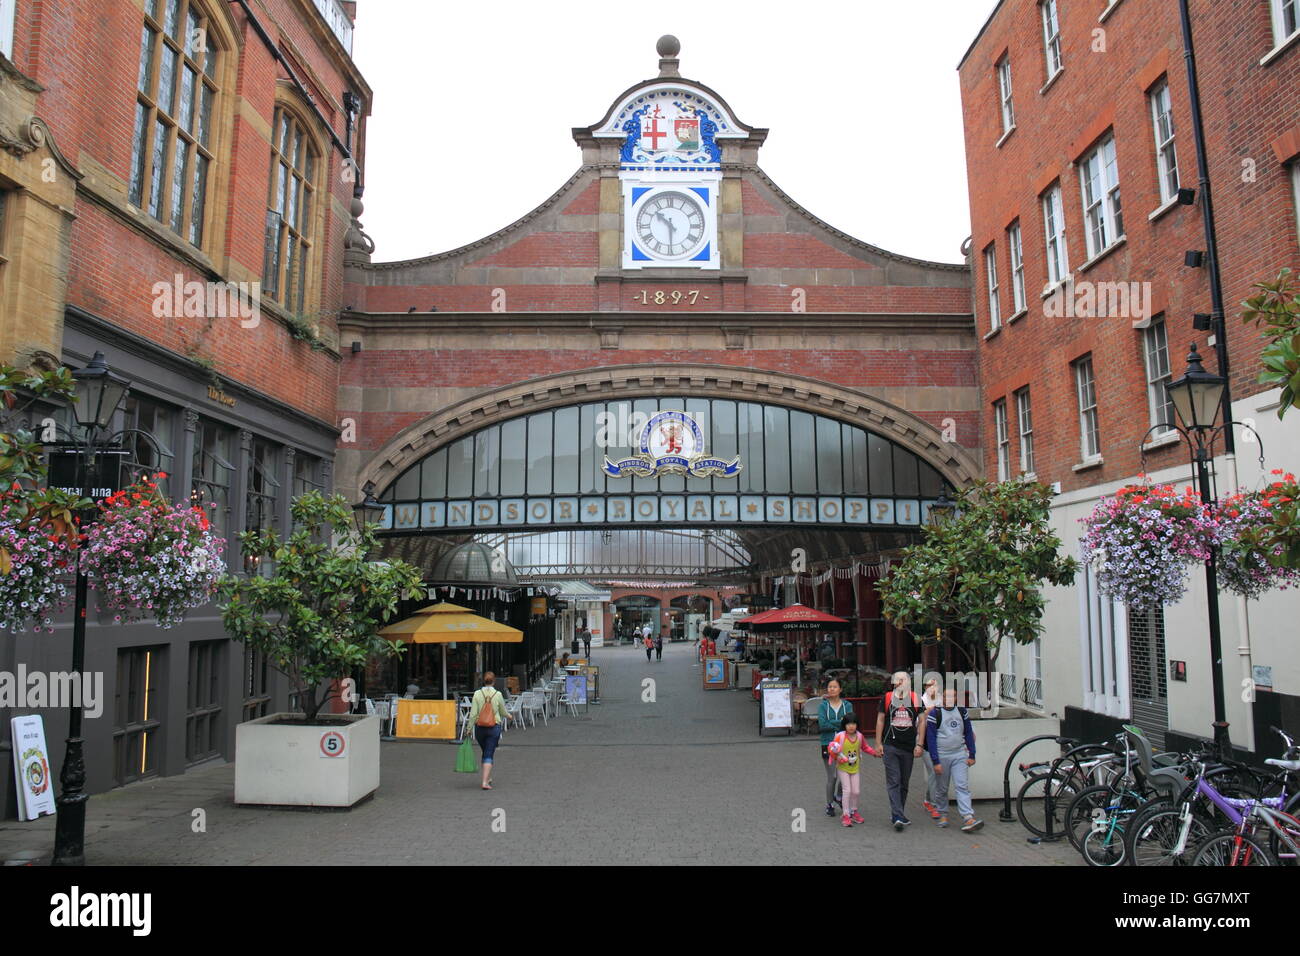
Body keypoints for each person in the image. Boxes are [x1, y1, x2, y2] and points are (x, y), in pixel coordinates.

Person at [926, 686, 983, 832]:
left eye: (952, 697)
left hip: (959, 755)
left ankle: (968, 816)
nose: (949, 700)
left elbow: (968, 732)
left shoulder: (962, 712)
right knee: (942, 788)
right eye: (946, 697)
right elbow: (931, 738)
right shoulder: (935, 713)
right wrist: (935, 761)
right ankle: (943, 813)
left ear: (956, 699)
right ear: (942, 698)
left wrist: (972, 754)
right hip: (942, 755)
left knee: (962, 786)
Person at [875, 670, 923, 831]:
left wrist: (920, 744)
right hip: (890, 745)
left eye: (904, 680)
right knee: (894, 780)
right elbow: (881, 720)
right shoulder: (888, 698)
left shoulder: (916, 698)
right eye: (898, 680)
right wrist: (878, 743)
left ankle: (899, 812)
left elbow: (921, 722)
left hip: (908, 746)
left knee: (904, 782)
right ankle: (897, 815)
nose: (901, 683)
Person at [826, 712, 881, 827]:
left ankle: (854, 811)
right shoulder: (840, 736)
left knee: (856, 791)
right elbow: (832, 749)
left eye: (854, 723)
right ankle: (846, 815)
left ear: (857, 725)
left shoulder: (860, 736)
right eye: (848, 724)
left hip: (855, 768)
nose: (851, 726)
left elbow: (865, 747)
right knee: (847, 790)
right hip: (843, 768)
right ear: (844, 725)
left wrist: (874, 753)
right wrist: (837, 758)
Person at [817, 678, 853, 816]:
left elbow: (850, 722)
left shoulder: (847, 705)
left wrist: (832, 723)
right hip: (828, 744)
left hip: (846, 744)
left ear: (840, 689)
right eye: (829, 687)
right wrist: (840, 724)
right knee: (832, 776)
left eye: (834, 687)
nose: (831, 689)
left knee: (845, 774)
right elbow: (822, 725)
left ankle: (838, 796)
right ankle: (829, 803)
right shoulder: (823, 706)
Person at [467, 672, 507, 791]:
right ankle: (485, 781)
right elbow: (502, 710)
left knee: (485, 751)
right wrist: (509, 715)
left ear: (483, 681)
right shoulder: (498, 694)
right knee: (489, 753)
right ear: (494, 681)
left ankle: (487, 777)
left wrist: (469, 728)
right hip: (494, 727)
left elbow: (473, 713)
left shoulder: (477, 694)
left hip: (480, 728)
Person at [919, 677, 942, 820]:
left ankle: (928, 800)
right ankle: (935, 805)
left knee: (936, 773)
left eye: (935, 684)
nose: (932, 687)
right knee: (934, 771)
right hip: (925, 740)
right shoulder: (920, 700)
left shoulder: (942, 699)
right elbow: (917, 722)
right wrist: (928, 711)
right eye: (929, 685)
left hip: (940, 740)